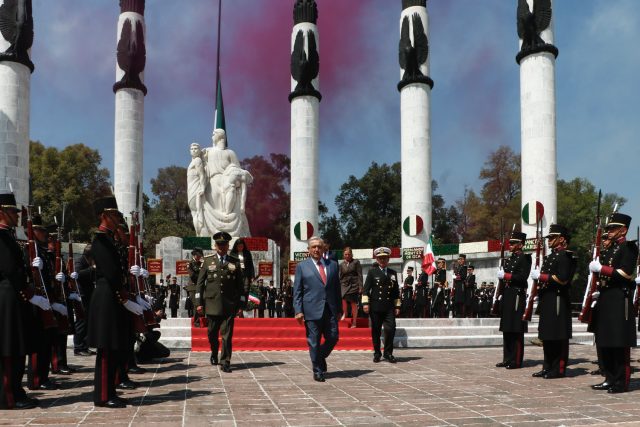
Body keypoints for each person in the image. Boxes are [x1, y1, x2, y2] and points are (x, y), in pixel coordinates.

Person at [87, 196, 144, 408]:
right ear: (103, 216)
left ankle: (110, 391)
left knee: (113, 349)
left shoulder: (109, 239)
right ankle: (103, 395)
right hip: (107, 297)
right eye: (114, 215)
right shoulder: (100, 240)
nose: (117, 219)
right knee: (106, 351)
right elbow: (111, 274)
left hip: (114, 297)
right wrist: (125, 297)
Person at [588, 212, 638, 393]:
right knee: (605, 341)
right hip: (606, 298)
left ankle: (621, 381)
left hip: (619, 299)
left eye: (613, 228)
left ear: (623, 230)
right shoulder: (609, 249)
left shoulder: (629, 248)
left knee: (618, 342)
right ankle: (609, 378)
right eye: (608, 228)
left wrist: (602, 269)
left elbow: (625, 273)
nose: (609, 231)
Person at [0, 193, 41, 409]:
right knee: (9, 348)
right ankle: (7, 396)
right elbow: (9, 269)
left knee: (17, 348)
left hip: (15, 295)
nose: (16, 216)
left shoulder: (9, 236)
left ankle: (16, 391)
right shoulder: (1, 237)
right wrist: (28, 286)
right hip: (8, 296)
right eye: (12, 212)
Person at [530, 224, 576, 379]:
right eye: (548, 238)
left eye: (552, 238)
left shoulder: (566, 256)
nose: (548, 240)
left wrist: (541, 277)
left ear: (561, 239)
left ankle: (558, 369)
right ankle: (547, 366)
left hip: (558, 299)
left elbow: (562, 279)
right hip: (548, 299)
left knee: (558, 336)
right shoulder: (550, 257)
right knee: (547, 336)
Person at [196, 232, 246, 373]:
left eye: (224, 244)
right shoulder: (207, 261)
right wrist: (198, 303)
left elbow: (240, 286)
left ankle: (225, 361)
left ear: (228, 246)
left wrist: (241, 305)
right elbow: (200, 284)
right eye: (219, 244)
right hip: (212, 305)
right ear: (215, 246)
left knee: (227, 335)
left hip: (229, 305)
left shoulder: (234, 261)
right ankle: (213, 351)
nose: (222, 247)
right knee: (212, 334)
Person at [293, 236, 341, 382]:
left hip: (330, 310)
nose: (316, 249)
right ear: (308, 250)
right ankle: (317, 370)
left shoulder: (332, 265)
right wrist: (298, 310)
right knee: (313, 341)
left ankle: (319, 356)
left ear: (323, 249)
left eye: (319, 247)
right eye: (313, 247)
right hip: (311, 309)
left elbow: (336, 288)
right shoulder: (302, 266)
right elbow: (297, 291)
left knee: (333, 337)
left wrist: (339, 309)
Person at [496, 231, 532, 370]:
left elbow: (522, 277)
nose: (509, 245)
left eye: (513, 243)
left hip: (517, 295)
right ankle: (507, 358)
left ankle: (516, 360)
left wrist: (507, 275)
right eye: (509, 243)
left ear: (520, 244)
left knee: (516, 329)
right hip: (507, 294)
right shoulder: (509, 259)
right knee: (507, 328)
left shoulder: (525, 258)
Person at [363, 247, 400, 363]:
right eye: (380, 258)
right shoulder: (372, 272)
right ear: (377, 259)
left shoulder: (393, 273)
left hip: (389, 307)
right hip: (376, 306)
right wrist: (365, 303)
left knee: (391, 329)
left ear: (388, 259)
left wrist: (397, 306)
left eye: (385, 258)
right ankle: (377, 353)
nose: (383, 260)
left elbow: (396, 291)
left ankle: (388, 353)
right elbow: (366, 290)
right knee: (376, 331)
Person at [73, 245, 96, 356]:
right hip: (81, 295)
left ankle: (85, 345)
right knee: (81, 321)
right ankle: (78, 347)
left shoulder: (89, 262)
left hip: (89, 295)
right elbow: (78, 274)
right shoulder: (80, 261)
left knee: (88, 321)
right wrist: (92, 268)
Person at [339, 247, 362, 327]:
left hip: (354, 285)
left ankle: (354, 321)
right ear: (343, 255)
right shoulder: (341, 264)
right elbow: (340, 276)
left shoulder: (356, 262)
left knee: (353, 303)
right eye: (345, 254)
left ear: (351, 254)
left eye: (349, 254)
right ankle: (345, 313)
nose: (347, 255)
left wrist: (360, 286)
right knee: (343, 299)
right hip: (344, 284)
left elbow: (360, 274)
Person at [186, 247, 204, 321]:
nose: (199, 257)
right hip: (193, 286)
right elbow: (192, 275)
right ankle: (196, 321)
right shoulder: (189, 263)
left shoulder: (201, 264)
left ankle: (201, 320)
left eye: (200, 256)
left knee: (201, 304)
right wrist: (201, 277)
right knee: (196, 304)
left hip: (200, 286)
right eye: (198, 255)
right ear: (194, 255)